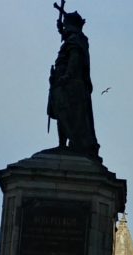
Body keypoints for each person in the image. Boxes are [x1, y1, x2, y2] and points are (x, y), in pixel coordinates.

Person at [47, 8, 100, 157]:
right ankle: (62, 144)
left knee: (68, 113)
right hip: (61, 81)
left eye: (65, 26)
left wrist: (67, 75)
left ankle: (71, 144)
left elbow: (75, 59)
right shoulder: (77, 38)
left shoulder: (75, 40)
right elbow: (67, 35)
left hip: (69, 84)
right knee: (61, 113)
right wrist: (61, 28)